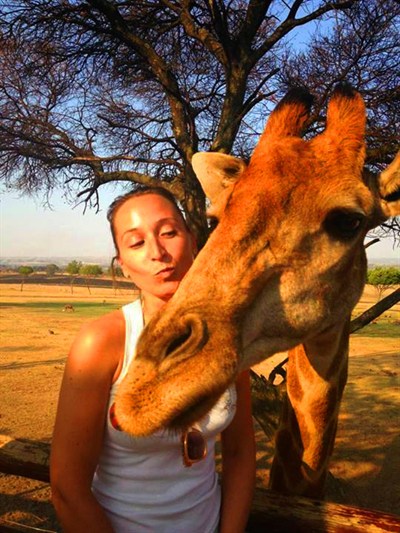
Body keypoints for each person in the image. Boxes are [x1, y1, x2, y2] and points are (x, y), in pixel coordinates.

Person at [50, 186, 256, 533]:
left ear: (192, 241)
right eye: (136, 243)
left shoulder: (228, 336)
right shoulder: (103, 342)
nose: (158, 252)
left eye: (168, 233)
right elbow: (67, 487)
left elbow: (239, 454)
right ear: (123, 267)